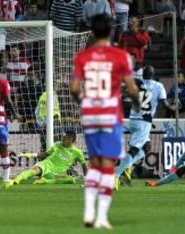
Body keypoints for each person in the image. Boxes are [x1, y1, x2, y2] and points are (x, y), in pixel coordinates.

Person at [70, 13, 140, 229]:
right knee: (108, 166)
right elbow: (131, 88)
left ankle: (88, 212)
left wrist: (85, 102)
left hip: (90, 113)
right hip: (110, 114)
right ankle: (101, 216)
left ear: (92, 32)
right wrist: (137, 104)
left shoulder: (82, 57)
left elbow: (73, 88)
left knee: (95, 164)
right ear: (111, 31)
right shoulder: (120, 56)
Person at [115, 65, 173, 189]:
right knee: (134, 149)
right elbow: (164, 104)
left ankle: (126, 169)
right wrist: (172, 107)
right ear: (153, 75)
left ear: (143, 75)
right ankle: (116, 175)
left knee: (146, 147)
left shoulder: (137, 83)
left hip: (133, 119)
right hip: (144, 121)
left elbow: (125, 93)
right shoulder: (158, 86)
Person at [6, 131, 86, 187]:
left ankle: (45, 180)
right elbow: (45, 154)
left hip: (55, 173)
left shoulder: (77, 152)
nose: (62, 139)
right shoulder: (58, 144)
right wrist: (31, 154)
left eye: (64, 138)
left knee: (71, 180)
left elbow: (84, 165)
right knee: (35, 170)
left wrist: (87, 179)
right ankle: (17, 179)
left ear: (70, 140)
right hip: (47, 164)